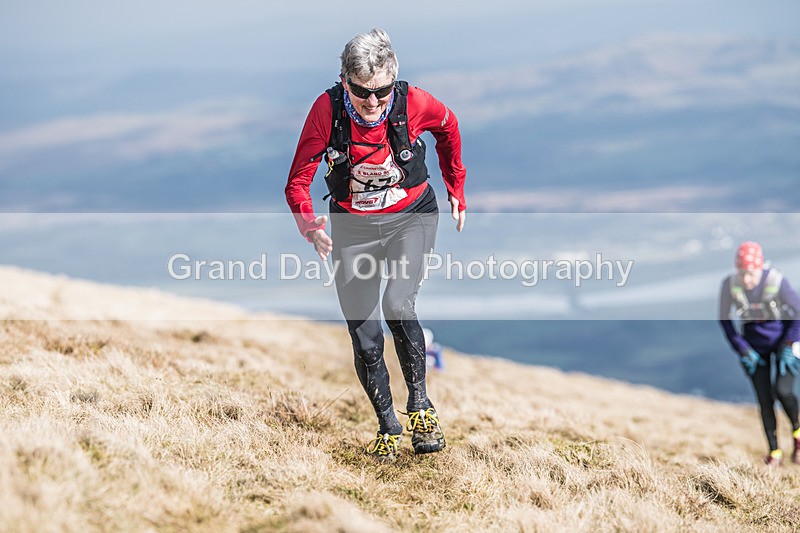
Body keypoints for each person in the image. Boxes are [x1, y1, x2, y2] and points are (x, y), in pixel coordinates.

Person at [285, 29, 466, 462]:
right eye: (362, 91)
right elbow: (297, 180)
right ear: (344, 80)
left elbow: (449, 128)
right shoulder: (325, 112)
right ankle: (387, 425)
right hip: (353, 228)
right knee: (364, 334)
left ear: (394, 80)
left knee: (398, 305)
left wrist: (456, 186)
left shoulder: (414, 103)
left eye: (382, 90)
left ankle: (420, 407)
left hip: (411, 217)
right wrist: (310, 226)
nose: (373, 101)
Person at [719, 241, 800, 467]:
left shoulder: (777, 282)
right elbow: (725, 321)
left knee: (783, 392)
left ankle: (798, 433)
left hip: (785, 343)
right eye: (742, 273)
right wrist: (742, 349)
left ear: (760, 267)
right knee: (765, 400)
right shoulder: (729, 285)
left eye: (751, 273)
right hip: (754, 348)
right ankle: (774, 453)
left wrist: (789, 345)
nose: (746, 279)